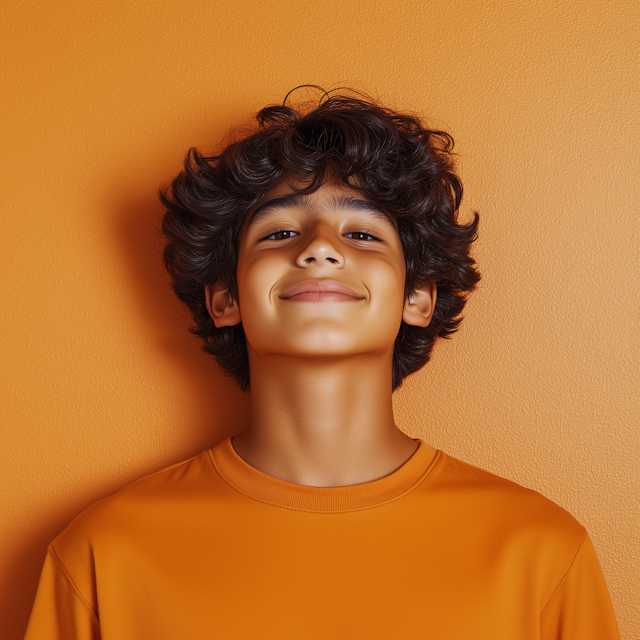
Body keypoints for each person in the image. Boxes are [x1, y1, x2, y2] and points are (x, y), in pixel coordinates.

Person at [24, 89, 620, 639]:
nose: (319, 247)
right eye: (280, 230)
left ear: (419, 296)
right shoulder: (105, 553)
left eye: (362, 235)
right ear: (223, 297)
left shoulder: (540, 553)